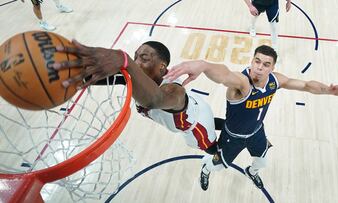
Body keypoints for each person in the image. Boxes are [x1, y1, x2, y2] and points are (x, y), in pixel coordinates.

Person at [164, 45, 338, 190]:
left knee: (262, 162)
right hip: (233, 137)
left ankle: (250, 172)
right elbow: (224, 75)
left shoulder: (275, 80)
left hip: (257, 132)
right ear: (252, 61)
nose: (259, 68)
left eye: (265, 64)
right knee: (217, 166)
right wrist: (204, 65)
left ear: (272, 68)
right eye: (256, 61)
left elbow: (305, 85)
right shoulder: (242, 83)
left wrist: (329, 91)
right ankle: (205, 169)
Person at [53, 40, 221, 155]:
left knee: (211, 149)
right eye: (135, 57)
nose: (136, 63)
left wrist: (125, 61)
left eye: (144, 58)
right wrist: (63, 72)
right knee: (214, 120)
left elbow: (155, 100)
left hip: (198, 126)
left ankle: (214, 159)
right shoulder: (140, 78)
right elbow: (95, 76)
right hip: (196, 107)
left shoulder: (174, 91)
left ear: (162, 68)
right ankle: (226, 124)